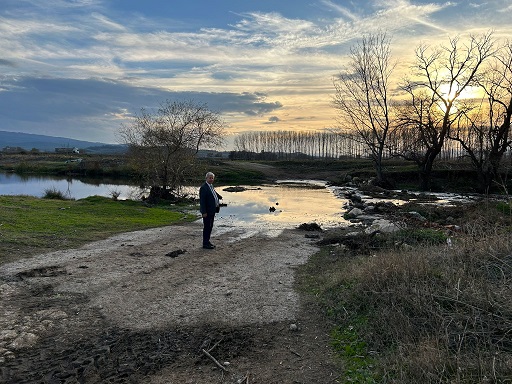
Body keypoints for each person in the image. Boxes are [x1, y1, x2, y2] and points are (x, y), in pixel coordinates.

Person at [199, 172, 222, 249]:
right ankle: (205, 243)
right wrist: (203, 212)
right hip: (207, 212)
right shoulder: (204, 188)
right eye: (210, 178)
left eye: (212, 178)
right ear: (206, 178)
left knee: (210, 226)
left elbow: (213, 193)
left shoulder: (211, 186)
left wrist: (219, 197)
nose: (211, 179)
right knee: (207, 227)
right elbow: (202, 201)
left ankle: (207, 241)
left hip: (212, 210)